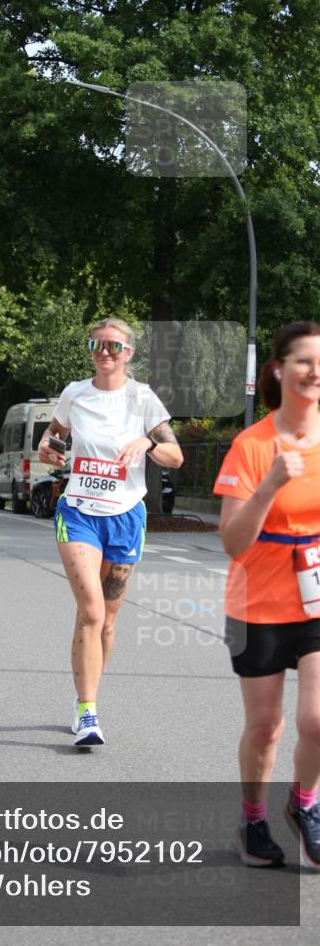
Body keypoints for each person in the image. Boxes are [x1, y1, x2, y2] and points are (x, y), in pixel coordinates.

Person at [38, 317, 183, 748]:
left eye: (114, 347)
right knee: (92, 609)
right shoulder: (74, 394)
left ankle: (89, 699)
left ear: (128, 353)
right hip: (79, 511)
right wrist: (48, 448)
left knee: (109, 620)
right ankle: (88, 713)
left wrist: (149, 445)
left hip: (126, 516)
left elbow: (175, 456)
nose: (105, 352)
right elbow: (53, 437)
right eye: (98, 345)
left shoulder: (142, 399)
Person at [214, 320, 320, 870]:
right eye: (303, 360)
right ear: (279, 368)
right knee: (265, 727)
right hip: (252, 603)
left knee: (318, 719)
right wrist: (272, 484)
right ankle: (252, 818)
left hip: (316, 598)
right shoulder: (252, 446)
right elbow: (232, 541)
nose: (315, 371)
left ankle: (305, 804)